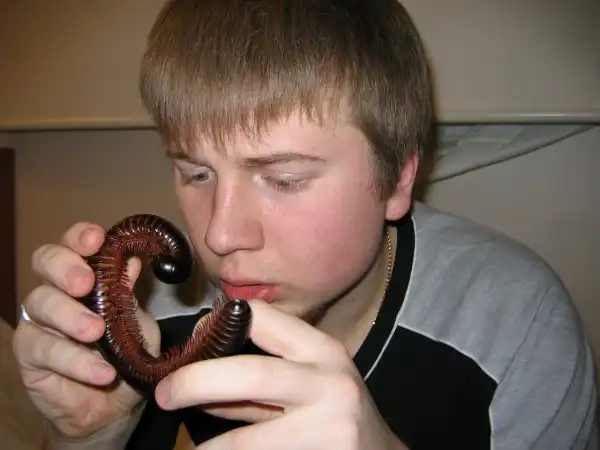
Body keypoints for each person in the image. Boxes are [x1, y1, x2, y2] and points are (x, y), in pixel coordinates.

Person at [12, 0, 598, 449]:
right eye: (196, 173)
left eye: (285, 179)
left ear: (398, 179)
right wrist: (91, 437)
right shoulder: (156, 314)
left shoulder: (518, 327)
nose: (219, 236)